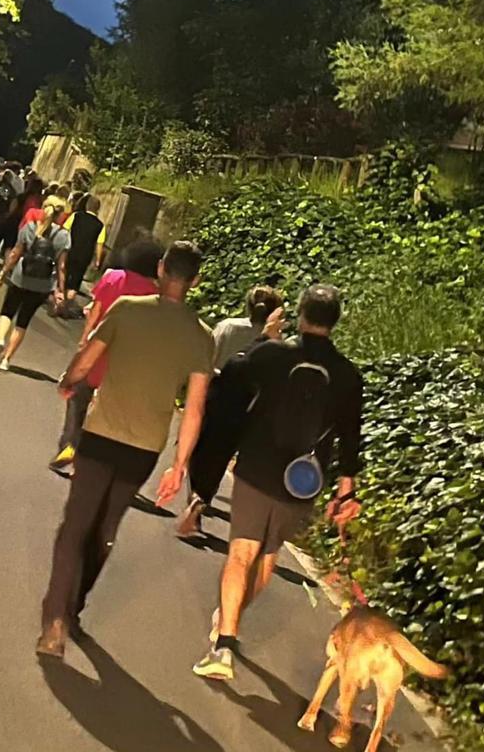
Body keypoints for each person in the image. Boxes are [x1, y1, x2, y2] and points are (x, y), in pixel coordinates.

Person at [37, 241, 214, 658]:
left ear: (161, 268)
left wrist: (68, 381)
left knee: (75, 525)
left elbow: (87, 358)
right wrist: (179, 465)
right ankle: (75, 607)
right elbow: (195, 409)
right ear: (195, 281)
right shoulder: (201, 336)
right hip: (144, 448)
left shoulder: (127, 309)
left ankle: (56, 621)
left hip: (101, 433)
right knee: (106, 527)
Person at [193, 284, 363, 682]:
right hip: (302, 481)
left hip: (256, 468)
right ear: (335, 322)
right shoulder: (348, 377)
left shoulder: (273, 354)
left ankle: (223, 647)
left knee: (241, 553)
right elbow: (351, 439)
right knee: (267, 558)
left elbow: (233, 375)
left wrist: (265, 338)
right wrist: (346, 491)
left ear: (300, 316)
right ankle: (228, 619)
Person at [48, 234, 163, 477]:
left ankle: (70, 443)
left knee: (77, 399)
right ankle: (90, 457)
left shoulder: (113, 277)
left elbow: (96, 311)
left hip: (98, 350)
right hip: (125, 360)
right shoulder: (155, 294)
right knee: (104, 411)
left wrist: (84, 340)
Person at [175, 285, 284, 539]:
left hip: (215, 394)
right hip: (246, 406)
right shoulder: (277, 344)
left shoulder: (228, 327)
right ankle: (202, 498)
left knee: (199, 450)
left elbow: (206, 360)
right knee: (221, 455)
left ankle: (195, 497)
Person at [0, 207, 71, 372]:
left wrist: (3, 273)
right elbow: (61, 267)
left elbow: (15, 253)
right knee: (23, 321)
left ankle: (0, 339)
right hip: (42, 284)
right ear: (60, 215)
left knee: (7, 312)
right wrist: (60, 290)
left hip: (21, 277)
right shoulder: (63, 236)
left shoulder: (30, 227)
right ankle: (6, 360)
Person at [63, 194, 106, 311]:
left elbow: (65, 230)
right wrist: (97, 261)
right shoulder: (100, 225)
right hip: (85, 256)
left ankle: (60, 299)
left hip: (70, 250)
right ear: (98, 209)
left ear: (87, 205)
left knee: (65, 273)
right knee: (76, 279)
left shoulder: (76, 216)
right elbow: (99, 244)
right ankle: (67, 304)